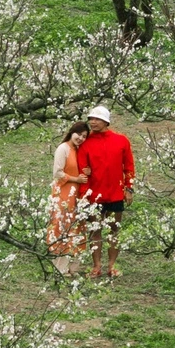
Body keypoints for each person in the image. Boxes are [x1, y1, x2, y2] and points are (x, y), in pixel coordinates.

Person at [76, 105, 134, 279]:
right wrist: (84, 196)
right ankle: (96, 266)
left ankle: (112, 265)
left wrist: (129, 188)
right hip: (94, 195)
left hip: (116, 193)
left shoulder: (121, 140)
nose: (93, 122)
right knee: (95, 230)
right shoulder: (85, 143)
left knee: (114, 229)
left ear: (106, 121)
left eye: (97, 119)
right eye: (91, 119)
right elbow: (82, 169)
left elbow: (129, 166)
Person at [47, 121, 90, 276]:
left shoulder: (78, 150)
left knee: (76, 227)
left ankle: (73, 267)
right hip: (64, 192)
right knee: (63, 226)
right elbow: (57, 172)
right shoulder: (63, 148)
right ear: (72, 132)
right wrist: (75, 179)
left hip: (77, 194)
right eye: (79, 134)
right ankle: (60, 266)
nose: (80, 138)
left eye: (84, 136)